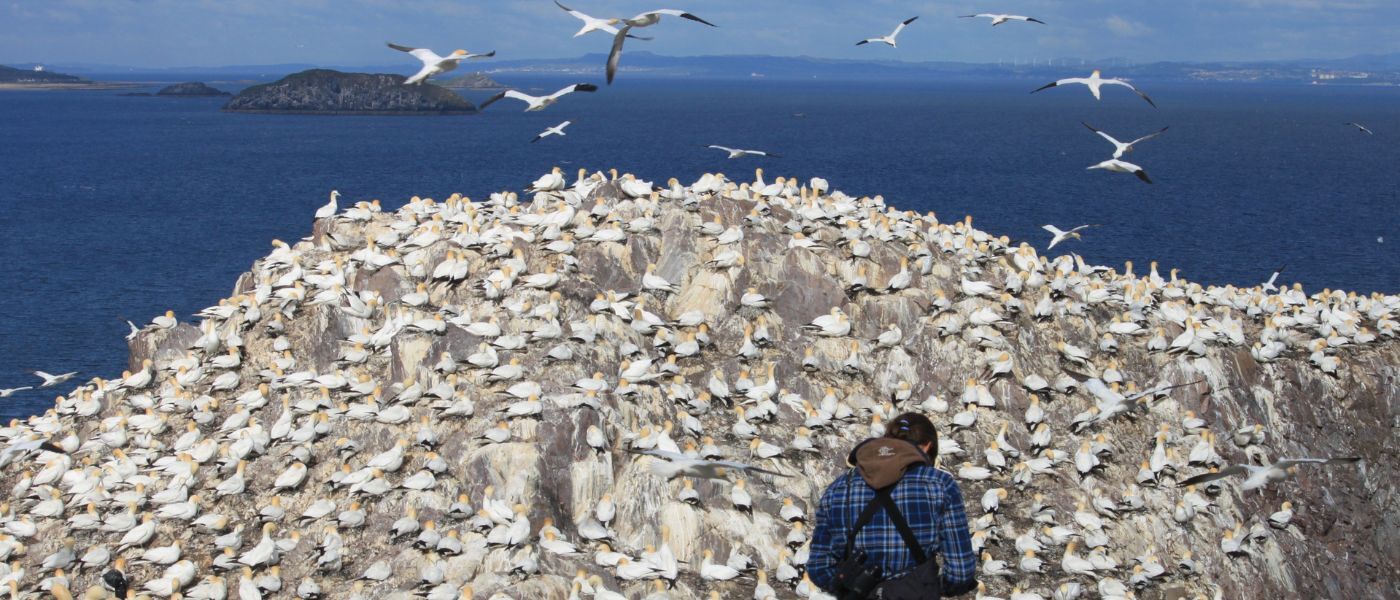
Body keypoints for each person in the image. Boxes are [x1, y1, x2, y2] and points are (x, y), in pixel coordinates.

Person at [808, 412, 977, 599]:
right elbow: (961, 572)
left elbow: (818, 568)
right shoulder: (940, 485)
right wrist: (930, 587)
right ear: (928, 447)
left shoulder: (838, 488)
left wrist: (851, 588)